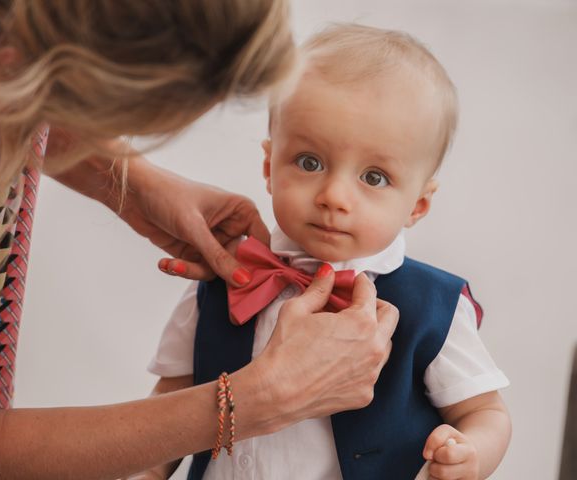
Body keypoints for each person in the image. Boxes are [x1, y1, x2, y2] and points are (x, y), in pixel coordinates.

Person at [0, 3, 400, 479]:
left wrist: (132, 184)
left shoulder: (429, 303)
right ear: (13, 64)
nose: (335, 197)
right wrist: (260, 399)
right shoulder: (211, 304)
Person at [144, 24, 512, 480]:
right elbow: (171, 399)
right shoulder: (226, 277)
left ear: (418, 204)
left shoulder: (435, 307)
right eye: (309, 162)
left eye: (373, 177)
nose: (333, 196)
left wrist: (470, 453)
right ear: (268, 165)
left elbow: (485, 411)